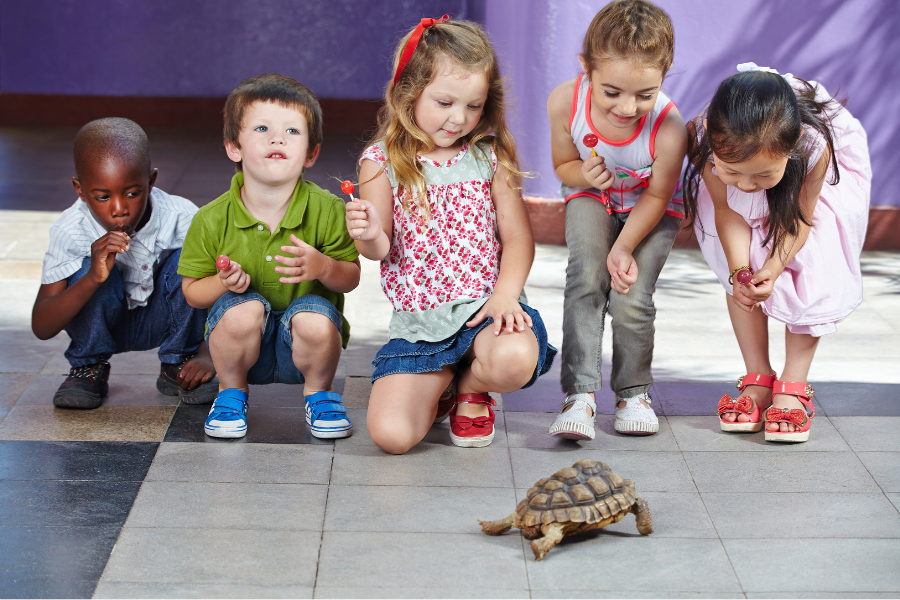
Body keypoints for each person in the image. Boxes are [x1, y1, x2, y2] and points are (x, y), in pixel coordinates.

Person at [346, 17, 556, 454]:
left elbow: (518, 239)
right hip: (422, 324)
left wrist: (506, 295)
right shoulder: (380, 161)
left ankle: (473, 385)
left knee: (514, 360)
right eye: (444, 102)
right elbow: (378, 249)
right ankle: (447, 378)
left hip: (484, 308)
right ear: (409, 92)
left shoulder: (488, 156)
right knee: (393, 437)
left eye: (473, 106)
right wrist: (366, 233)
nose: (459, 118)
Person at [682, 63, 870, 443]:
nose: (748, 186)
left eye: (764, 175)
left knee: (808, 269)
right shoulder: (703, 137)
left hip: (802, 204)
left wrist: (776, 264)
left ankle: (793, 380)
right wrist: (741, 272)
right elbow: (726, 210)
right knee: (744, 278)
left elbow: (801, 220)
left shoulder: (812, 145)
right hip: (733, 205)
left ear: (790, 148)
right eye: (733, 172)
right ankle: (759, 378)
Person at [178, 74, 361, 439]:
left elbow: (351, 277)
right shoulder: (211, 218)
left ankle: (319, 394)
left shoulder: (328, 209)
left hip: (306, 350)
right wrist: (221, 282)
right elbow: (192, 293)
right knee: (242, 308)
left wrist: (323, 266)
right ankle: (230, 393)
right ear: (234, 146)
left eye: (292, 131)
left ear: (311, 153)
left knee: (314, 316)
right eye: (262, 128)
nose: (277, 138)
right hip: (243, 350)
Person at [546, 0, 687, 440]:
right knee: (587, 275)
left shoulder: (669, 127)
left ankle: (632, 394)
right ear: (586, 67)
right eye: (612, 92)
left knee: (631, 295)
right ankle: (579, 396)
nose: (627, 108)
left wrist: (624, 246)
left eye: (644, 94)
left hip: (651, 206)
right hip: (592, 193)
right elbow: (563, 166)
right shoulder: (566, 101)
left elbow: (660, 193)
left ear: (663, 75)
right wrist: (583, 173)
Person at [32, 117, 217, 409]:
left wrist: (207, 354)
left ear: (151, 181)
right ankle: (87, 366)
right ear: (80, 190)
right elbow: (41, 326)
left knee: (191, 265)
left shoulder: (181, 217)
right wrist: (93, 276)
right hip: (106, 324)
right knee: (88, 270)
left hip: (164, 320)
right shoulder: (71, 231)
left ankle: (178, 360)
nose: (119, 209)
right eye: (102, 197)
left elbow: (217, 291)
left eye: (132, 193)